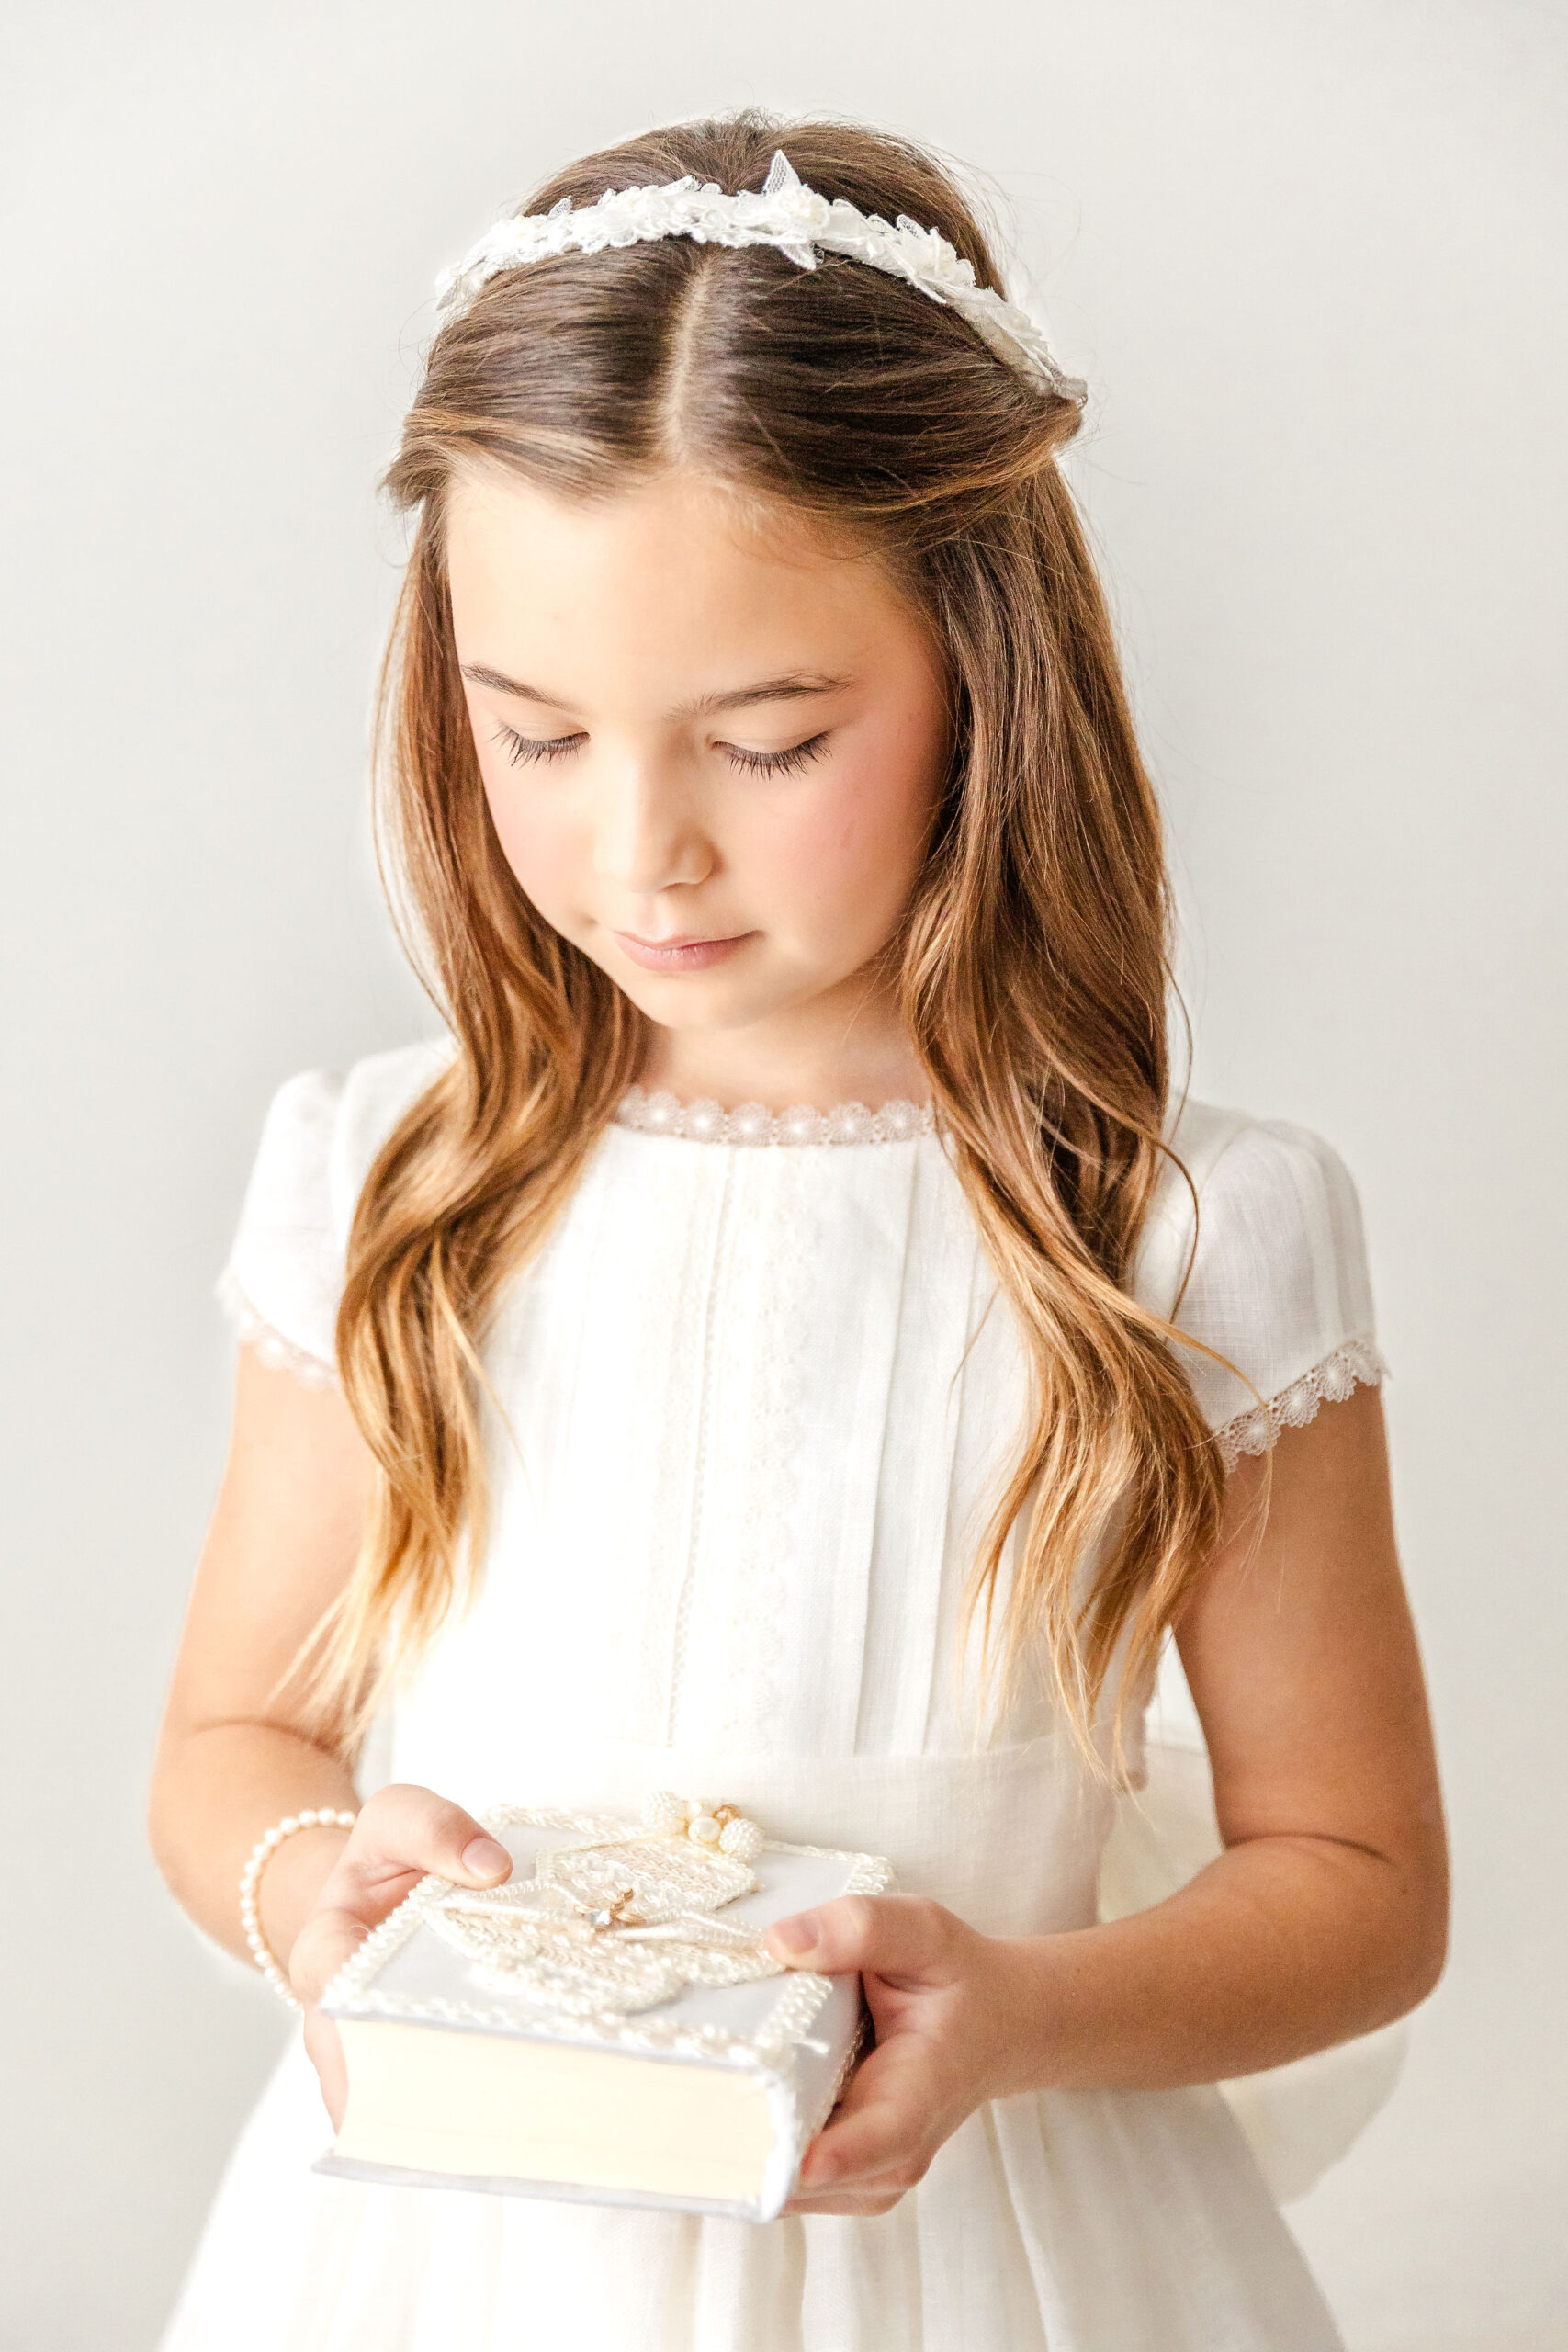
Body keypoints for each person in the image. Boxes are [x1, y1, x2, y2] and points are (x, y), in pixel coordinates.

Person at [149, 108, 1447, 2352]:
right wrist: (314, 1894)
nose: (636, 850)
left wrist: (1017, 2008)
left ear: (978, 673)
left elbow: (1354, 1879)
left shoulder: (1181, 1229)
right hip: (457, 2255)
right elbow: (225, 1742)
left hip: (994, 2251)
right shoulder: (387, 1177)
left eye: (763, 742)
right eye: (533, 731)